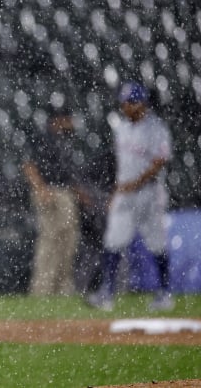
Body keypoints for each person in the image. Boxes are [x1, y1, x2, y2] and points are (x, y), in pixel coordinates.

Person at [87, 81, 174, 311]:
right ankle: (107, 293)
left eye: (130, 102)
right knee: (112, 242)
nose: (125, 106)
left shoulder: (157, 128)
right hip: (125, 193)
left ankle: (164, 293)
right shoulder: (122, 128)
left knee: (157, 244)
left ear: (141, 103)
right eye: (124, 102)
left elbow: (159, 162)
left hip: (149, 194)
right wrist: (117, 191)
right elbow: (122, 165)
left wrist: (135, 183)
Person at [21, 109, 80, 295]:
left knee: (68, 241)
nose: (71, 123)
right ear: (59, 119)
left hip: (63, 192)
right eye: (68, 119)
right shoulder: (43, 138)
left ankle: (62, 288)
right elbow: (28, 165)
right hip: (50, 191)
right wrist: (41, 188)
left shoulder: (65, 140)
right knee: (49, 240)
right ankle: (42, 289)